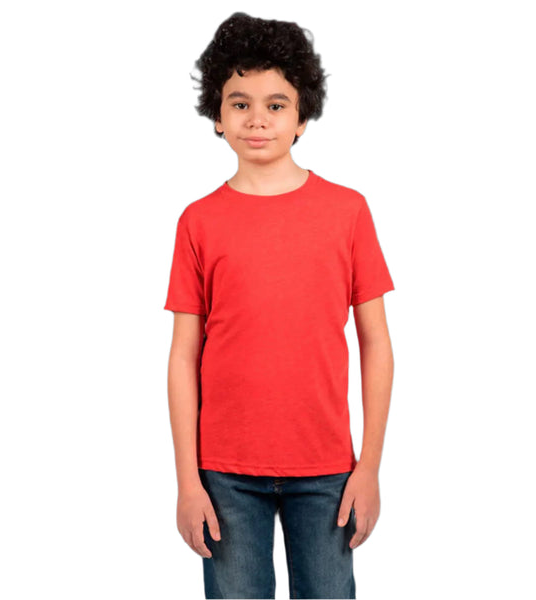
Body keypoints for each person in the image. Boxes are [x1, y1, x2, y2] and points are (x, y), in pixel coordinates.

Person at [164, 12, 395, 600]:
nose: (258, 119)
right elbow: (184, 355)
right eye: (240, 103)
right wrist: (188, 481)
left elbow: (376, 342)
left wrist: (369, 467)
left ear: (302, 117)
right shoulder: (198, 221)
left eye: (276, 104)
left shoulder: (347, 212)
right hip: (224, 472)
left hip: (326, 468)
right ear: (217, 116)